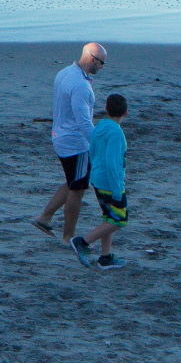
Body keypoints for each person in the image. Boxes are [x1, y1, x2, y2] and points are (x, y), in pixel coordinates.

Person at [35, 41, 106, 243]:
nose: (102, 67)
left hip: (60, 136)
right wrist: (99, 145)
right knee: (78, 189)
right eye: (101, 63)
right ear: (92, 59)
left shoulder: (65, 72)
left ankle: (45, 217)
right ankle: (68, 237)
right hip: (75, 144)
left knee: (73, 180)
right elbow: (83, 123)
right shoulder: (80, 85)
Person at [77, 93, 128, 267]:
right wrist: (116, 190)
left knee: (108, 217)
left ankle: (105, 257)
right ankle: (83, 242)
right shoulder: (115, 132)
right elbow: (112, 163)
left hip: (97, 180)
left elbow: (92, 151)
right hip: (109, 183)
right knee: (120, 219)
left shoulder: (100, 126)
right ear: (125, 113)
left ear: (106, 109)